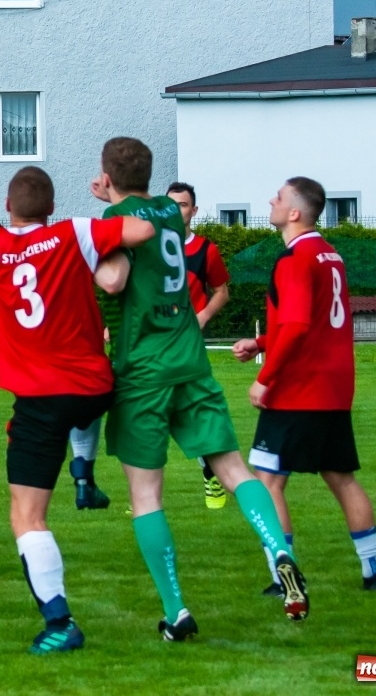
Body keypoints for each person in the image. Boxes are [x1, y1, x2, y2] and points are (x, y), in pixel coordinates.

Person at [0, 112, 155, 652]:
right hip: (95, 387)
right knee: (82, 422)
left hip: (42, 395)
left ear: (8, 207)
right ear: (50, 210)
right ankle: (87, 472)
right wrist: (109, 222)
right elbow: (142, 226)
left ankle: (59, 622)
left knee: (26, 513)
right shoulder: (72, 233)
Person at [90, 137, 308, 637]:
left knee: (146, 495)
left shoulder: (116, 223)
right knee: (233, 467)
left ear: (106, 175)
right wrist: (118, 199)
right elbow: (143, 212)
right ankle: (279, 551)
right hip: (190, 360)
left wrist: (104, 223)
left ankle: (177, 610)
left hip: (143, 369)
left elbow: (113, 282)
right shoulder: (169, 209)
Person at [231, 178, 376, 593]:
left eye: (279, 197)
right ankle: (373, 573)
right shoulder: (330, 256)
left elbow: (299, 324)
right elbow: (315, 321)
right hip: (334, 388)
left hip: (299, 389)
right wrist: (262, 341)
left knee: (267, 480)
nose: (271, 200)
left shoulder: (296, 259)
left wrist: (265, 378)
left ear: (296, 212)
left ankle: (282, 576)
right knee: (341, 477)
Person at [165, 181, 233, 509]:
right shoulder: (148, 246)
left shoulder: (205, 250)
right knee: (147, 414)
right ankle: (145, 496)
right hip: (152, 343)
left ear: (193, 210)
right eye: (171, 204)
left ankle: (210, 472)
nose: (177, 210)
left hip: (187, 345)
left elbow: (222, 290)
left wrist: (203, 315)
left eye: (183, 204)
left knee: (189, 412)